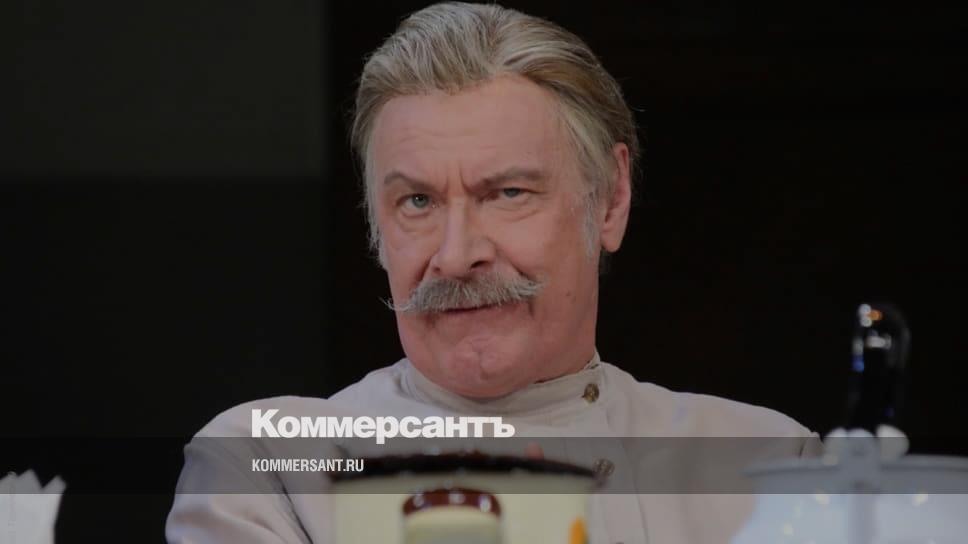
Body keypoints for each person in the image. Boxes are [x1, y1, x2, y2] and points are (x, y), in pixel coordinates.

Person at [166, 3, 817, 543]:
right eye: (417, 201)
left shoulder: (770, 466)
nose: (456, 256)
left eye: (508, 193)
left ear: (611, 200)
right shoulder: (269, 469)